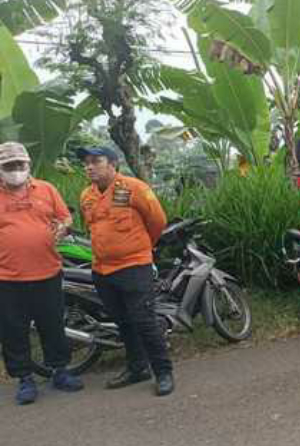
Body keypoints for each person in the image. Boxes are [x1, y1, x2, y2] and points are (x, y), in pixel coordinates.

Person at [78, 146, 174, 397]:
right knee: (123, 322)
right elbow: (91, 227)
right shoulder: (86, 196)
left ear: (113, 164)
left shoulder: (135, 188)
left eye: (96, 161)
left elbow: (158, 221)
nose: (89, 167)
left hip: (133, 267)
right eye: (86, 163)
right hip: (102, 270)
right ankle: (137, 368)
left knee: (144, 321)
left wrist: (140, 248)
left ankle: (163, 372)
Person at [0, 141, 84, 405]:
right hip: (7, 277)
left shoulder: (46, 189)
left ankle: (60, 371)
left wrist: (65, 227)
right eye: (9, 166)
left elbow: (66, 218)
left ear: (28, 165)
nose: (15, 170)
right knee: (13, 330)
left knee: (53, 325)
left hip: (47, 271)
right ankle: (25, 379)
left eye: (19, 165)